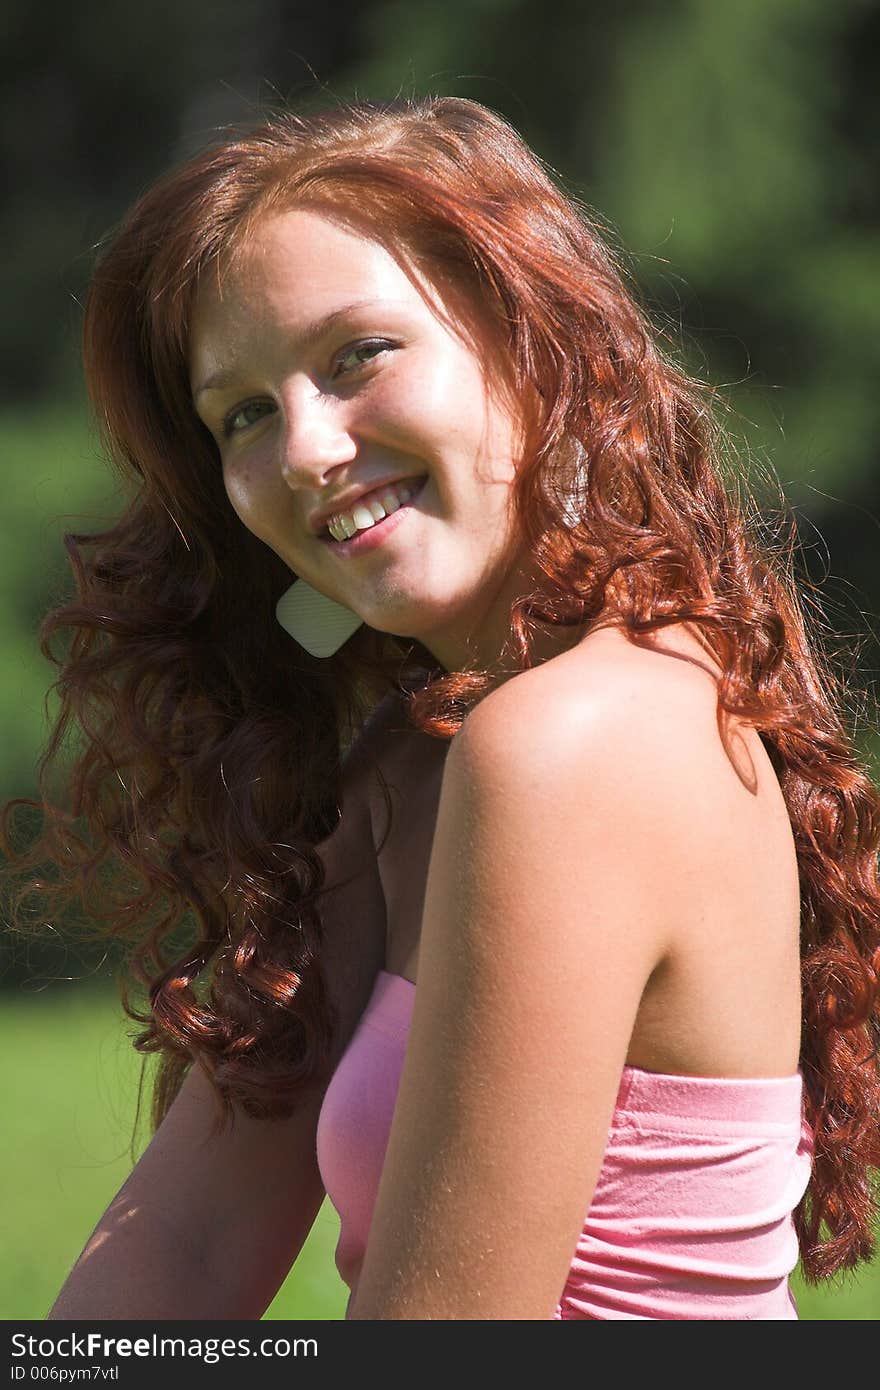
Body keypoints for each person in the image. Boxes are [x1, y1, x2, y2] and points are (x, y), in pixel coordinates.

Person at [4, 95, 879, 1321]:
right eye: (243, 414)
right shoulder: (409, 769)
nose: (304, 448)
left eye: (356, 355)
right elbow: (189, 1249)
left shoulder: (573, 744)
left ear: (535, 341)